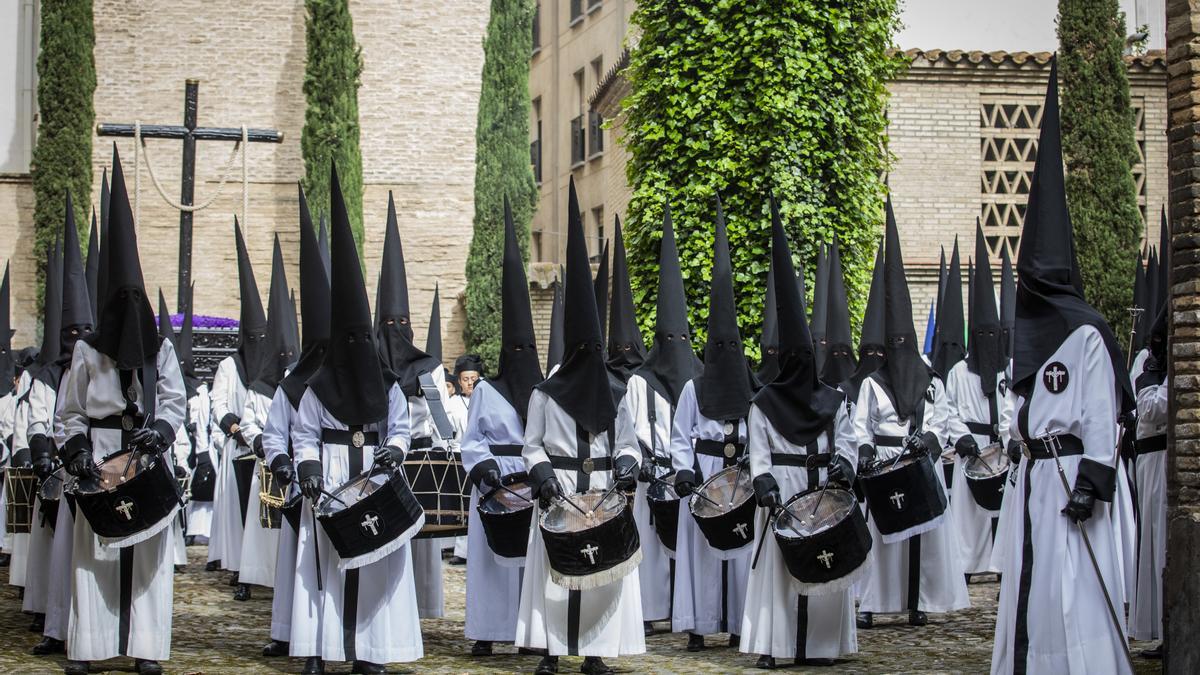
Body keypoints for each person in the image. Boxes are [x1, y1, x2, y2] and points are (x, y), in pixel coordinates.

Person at [990, 61, 1134, 675]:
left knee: (1070, 594)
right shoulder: (1032, 336)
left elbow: (1101, 413)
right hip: (1031, 480)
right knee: (1034, 591)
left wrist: (1091, 483)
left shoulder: (1085, 333)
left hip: (1070, 478)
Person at [55, 147, 187, 675]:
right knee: (96, 553)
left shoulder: (162, 349)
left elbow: (174, 399)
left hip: (146, 456)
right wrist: (78, 452)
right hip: (102, 456)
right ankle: (89, 645)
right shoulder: (88, 352)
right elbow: (69, 413)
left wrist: (160, 431)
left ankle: (148, 647)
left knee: (149, 558)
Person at [291, 168, 424, 674]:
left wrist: (393, 452)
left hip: (374, 475)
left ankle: (371, 649)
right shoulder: (318, 386)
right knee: (323, 564)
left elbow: (400, 426)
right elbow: (304, 433)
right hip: (329, 476)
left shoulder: (387, 383)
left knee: (376, 560)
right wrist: (307, 469)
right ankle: (321, 649)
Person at [515, 179, 645, 675]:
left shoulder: (616, 392)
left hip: (603, 491)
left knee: (602, 573)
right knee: (554, 574)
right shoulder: (546, 392)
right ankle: (550, 650)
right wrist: (543, 476)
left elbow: (628, 441)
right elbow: (532, 446)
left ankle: (594, 651)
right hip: (562, 489)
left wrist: (629, 467)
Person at [739, 198, 860, 669]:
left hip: (823, 490)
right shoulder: (764, 404)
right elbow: (759, 454)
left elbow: (845, 438)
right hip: (784, 492)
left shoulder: (831, 398)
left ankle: (823, 645)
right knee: (780, 568)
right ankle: (778, 644)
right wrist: (764, 483)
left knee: (827, 562)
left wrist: (844, 466)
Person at [853, 198, 969, 629]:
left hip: (919, 463)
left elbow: (941, 420)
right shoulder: (871, 383)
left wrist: (931, 442)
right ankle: (872, 602)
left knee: (921, 536)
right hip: (884, 466)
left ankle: (918, 600)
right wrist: (865, 452)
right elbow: (860, 425)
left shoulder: (931, 381)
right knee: (883, 538)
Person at [239, 187, 328, 660]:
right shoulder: (293, 382)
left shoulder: (355, 381)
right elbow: (275, 431)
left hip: (341, 484)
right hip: (298, 483)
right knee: (295, 564)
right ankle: (288, 632)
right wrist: (282, 462)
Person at [460, 199, 545, 657]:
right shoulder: (487, 392)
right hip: (495, 481)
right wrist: (485, 471)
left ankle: (529, 631)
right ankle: (488, 631)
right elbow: (472, 442)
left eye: (526, 346)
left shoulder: (544, 389)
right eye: (514, 347)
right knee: (492, 563)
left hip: (530, 480)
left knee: (530, 561)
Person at [669, 196, 754, 653]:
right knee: (701, 556)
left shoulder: (750, 391)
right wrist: (684, 470)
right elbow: (680, 436)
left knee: (740, 556)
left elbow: (759, 436)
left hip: (738, 480)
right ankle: (699, 624)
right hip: (702, 481)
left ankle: (739, 622)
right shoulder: (693, 390)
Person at [623, 203, 700, 635]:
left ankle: (686, 611)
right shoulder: (640, 381)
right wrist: (644, 462)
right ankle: (653, 611)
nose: (676, 346)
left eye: (681, 339)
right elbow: (630, 431)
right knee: (652, 551)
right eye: (669, 339)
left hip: (687, 481)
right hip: (651, 482)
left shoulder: (701, 378)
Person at [374, 192, 451, 619]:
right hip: (378, 460)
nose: (396, 331)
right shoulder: (370, 367)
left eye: (402, 324)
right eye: (390, 324)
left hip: (419, 460)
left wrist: (446, 446)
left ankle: (421, 607)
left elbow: (440, 421)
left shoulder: (428, 368)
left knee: (421, 544)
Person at [206, 220, 270, 601]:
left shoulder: (271, 371)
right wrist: (234, 426)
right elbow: (218, 402)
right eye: (253, 338)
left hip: (264, 450)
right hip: (238, 446)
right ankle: (239, 568)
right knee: (239, 513)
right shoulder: (230, 366)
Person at [945, 224, 1012, 579]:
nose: (987, 340)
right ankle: (969, 565)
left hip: (1000, 446)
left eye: (993, 334)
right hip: (972, 447)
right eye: (981, 334)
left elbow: (1014, 405)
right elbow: (949, 410)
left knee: (1002, 506)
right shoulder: (958, 371)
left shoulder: (1007, 371)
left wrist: (1009, 436)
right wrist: (962, 438)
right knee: (970, 511)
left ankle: (1000, 563)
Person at [234, 237, 296, 600]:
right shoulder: (259, 387)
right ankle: (252, 576)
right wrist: (262, 442)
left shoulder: (304, 385)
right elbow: (249, 421)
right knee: (260, 531)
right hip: (267, 463)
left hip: (295, 462)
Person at [17, 232, 63, 637]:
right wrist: (41, 454)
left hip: (87, 467)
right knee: (50, 546)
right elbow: (38, 419)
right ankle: (45, 611)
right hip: (54, 469)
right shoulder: (46, 377)